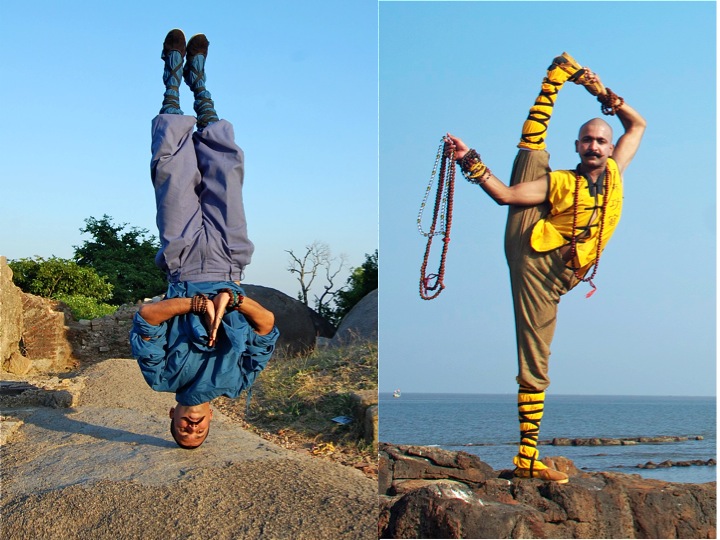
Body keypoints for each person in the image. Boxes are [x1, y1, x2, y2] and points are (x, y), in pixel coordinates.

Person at [444, 53, 646, 483]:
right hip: (533, 260)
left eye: (600, 140)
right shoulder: (562, 181)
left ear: (608, 148)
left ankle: (558, 74)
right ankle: (527, 457)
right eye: (587, 140)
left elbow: (638, 125)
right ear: (577, 146)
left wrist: (602, 94)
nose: (594, 145)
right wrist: (470, 161)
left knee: (534, 160)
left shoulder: (614, 172)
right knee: (536, 355)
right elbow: (505, 195)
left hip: (567, 273)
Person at [129, 29, 280, 450]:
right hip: (229, 262)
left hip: (181, 262)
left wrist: (198, 305)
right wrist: (232, 301)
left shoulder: (160, 377)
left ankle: (173, 79)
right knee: (227, 171)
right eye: (198, 431)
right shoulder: (239, 380)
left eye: (183, 430)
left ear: (172, 417)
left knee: (172, 173)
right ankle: (202, 85)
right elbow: (267, 328)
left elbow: (148, 317)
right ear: (212, 420)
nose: (191, 428)